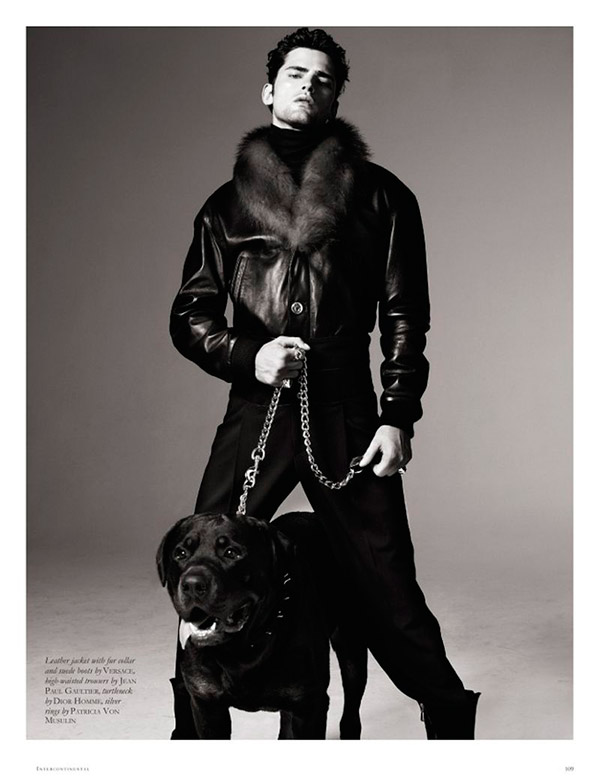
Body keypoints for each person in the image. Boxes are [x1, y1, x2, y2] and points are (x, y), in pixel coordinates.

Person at [169, 27, 480, 739]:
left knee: (384, 579)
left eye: (323, 78)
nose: (308, 84)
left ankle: (447, 712)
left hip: (346, 407)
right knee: (206, 561)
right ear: (268, 89)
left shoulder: (383, 197)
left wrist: (397, 415)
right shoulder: (224, 207)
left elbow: (405, 314)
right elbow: (190, 317)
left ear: (337, 96)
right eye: (295, 73)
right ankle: (193, 730)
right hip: (256, 406)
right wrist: (247, 355)